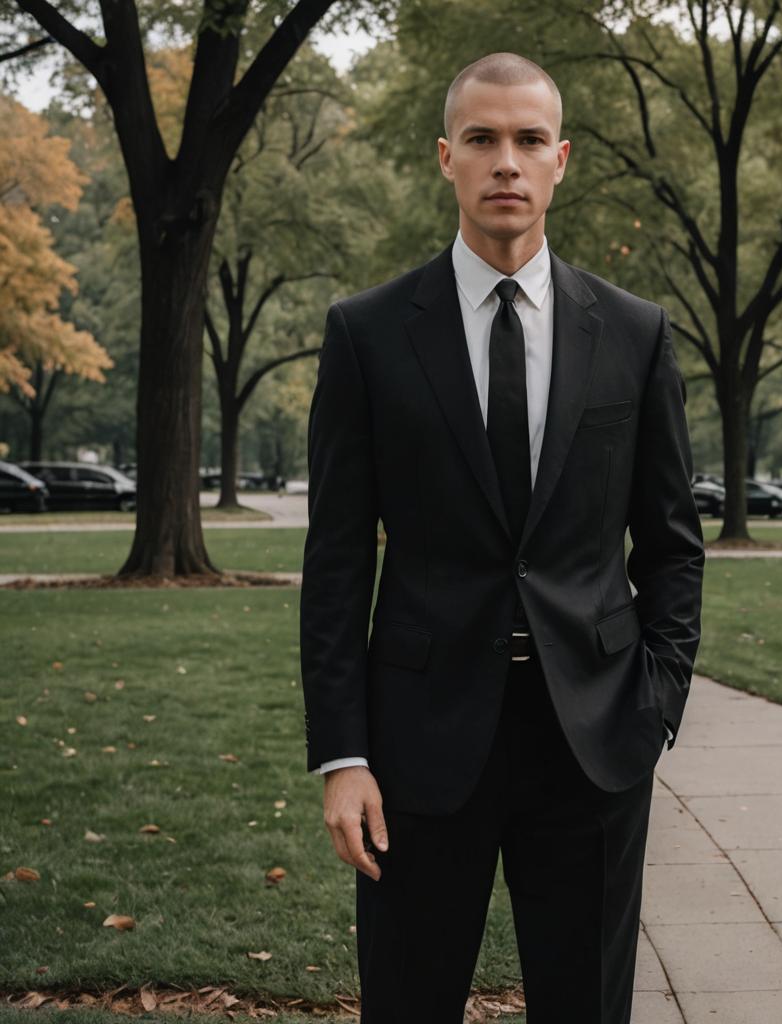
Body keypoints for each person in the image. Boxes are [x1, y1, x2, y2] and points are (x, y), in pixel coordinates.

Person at [300, 51, 704, 1024]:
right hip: (418, 743)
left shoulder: (636, 334)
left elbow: (671, 543)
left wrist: (654, 703)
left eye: (528, 139)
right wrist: (342, 754)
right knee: (407, 1003)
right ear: (447, 157)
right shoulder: (367, 333)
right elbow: (339, 560)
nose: (506, 162)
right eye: (482, 139)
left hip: (594, 738)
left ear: (560, 159)